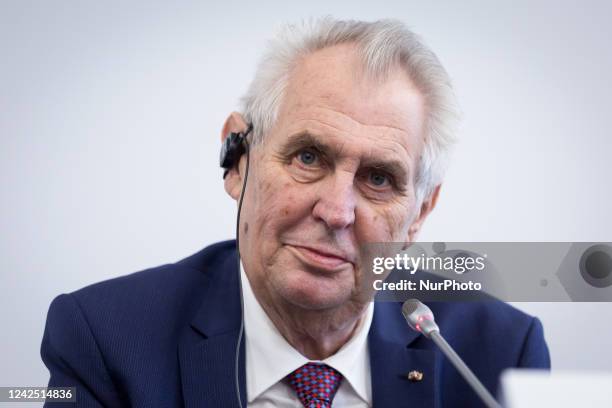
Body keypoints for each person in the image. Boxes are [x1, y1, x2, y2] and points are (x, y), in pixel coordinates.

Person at [41, 18, 550, 407]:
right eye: (308, 158)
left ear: (419, 213)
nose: (336, 212)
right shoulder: (106, 338)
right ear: (238, 160)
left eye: (378, 179)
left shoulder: (497, 355)